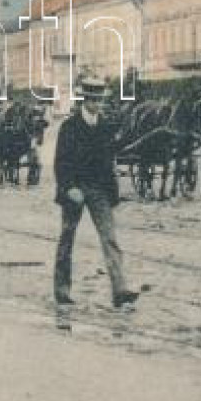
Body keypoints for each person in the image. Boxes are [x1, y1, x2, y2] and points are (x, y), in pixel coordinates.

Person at [53, 77, 138, 310]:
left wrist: (113, 193)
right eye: (95, 100)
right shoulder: (69, 127)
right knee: (67, 238)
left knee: (110, 238)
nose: (99, 104)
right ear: (85, 100)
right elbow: (61, 162)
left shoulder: (105, 126)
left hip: (100, 190)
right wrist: (69, 188)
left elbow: (110, 157)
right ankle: (62, 291)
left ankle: (120, 291)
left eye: (101, 100)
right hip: (75, 190)